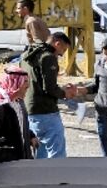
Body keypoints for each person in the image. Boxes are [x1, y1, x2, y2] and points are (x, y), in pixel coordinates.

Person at [23, 31, 78, 159]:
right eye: (63, 49)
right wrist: (65, 93)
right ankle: (58, 177)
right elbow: (49, 87)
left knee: (39, 149)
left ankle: (41, 177)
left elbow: (36, 82)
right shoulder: (48, 57)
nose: (62, 54)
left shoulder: (27, 54)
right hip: (46, 110)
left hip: (30, 108)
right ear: (57, 43)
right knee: (56, 150)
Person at [0, 64, 36, 168]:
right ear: (16, 85)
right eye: (25, 87)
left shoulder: (17, 100)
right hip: (2, 165)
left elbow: (19, 123)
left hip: (19, 161)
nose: (26, 91)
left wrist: (30, 136)